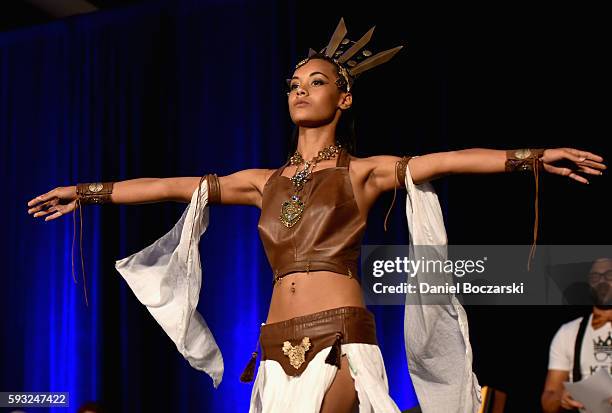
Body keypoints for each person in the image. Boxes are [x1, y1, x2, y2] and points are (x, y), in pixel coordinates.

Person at [27, 18, 606, 413]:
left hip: (341, 336)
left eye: (317, 82)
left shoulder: (363, 171)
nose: (300, 91)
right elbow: (168, 186)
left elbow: (449, 160)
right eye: (293, 84)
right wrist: (85, 191)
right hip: (275, 342)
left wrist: (531, 157)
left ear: (344, 98)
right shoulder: (264, 183)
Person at [541, 258, 612, 413]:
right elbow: (548, 399)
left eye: (609, 275)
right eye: (595, 276)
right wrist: (561, 398)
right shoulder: (568, 332)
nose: (602, 281)